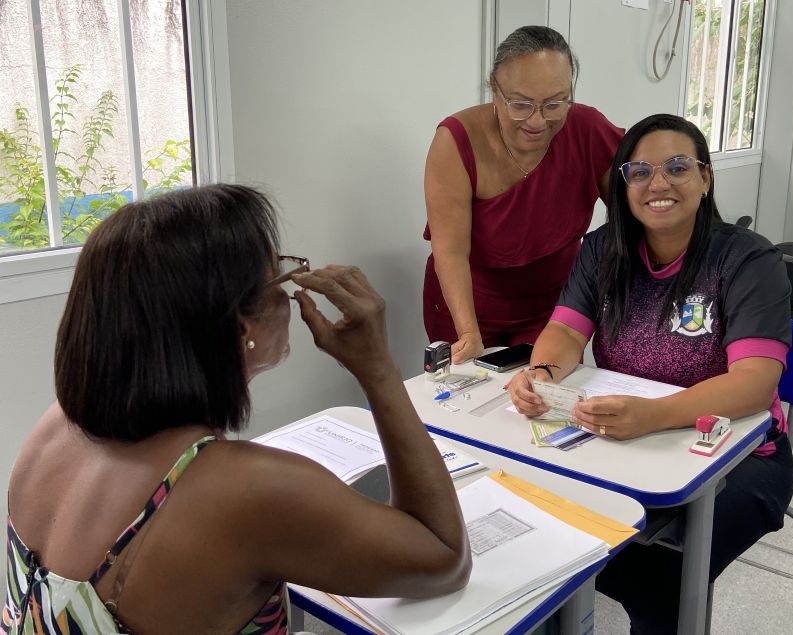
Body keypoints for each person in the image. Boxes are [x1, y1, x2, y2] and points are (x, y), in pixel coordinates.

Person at [3, 184, 471, 635]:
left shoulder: (58, 423)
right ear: (241, 326)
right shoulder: (244, 489)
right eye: (280, 279)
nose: (291, 294)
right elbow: (444, 558)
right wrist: (379, 371)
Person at [507, 114, 793, 633]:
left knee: (661, 574)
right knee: (541, 533)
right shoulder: (602, 250)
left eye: (677, 167)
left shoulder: (747, 259)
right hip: (628, 443)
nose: (657, 183)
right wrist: (541, 373)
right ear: (624, 184)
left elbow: (755, 381)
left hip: (742, 455)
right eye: (639, 171)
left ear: (706, 179)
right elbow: (567, 333)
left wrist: (655, 417)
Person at [423, 25, 624, 364]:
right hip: (468, 303)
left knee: (540, 399)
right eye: (520, 103)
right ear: (494, 89)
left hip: (553, 304)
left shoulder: (588, 130)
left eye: (554, 104)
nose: (537, 121)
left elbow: (632, 215)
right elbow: (450, 251)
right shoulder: (456, 141)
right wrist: (469, 334)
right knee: (465, 401)